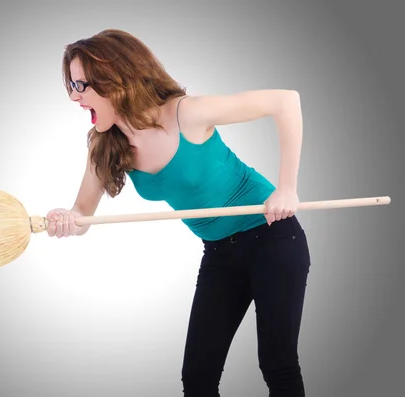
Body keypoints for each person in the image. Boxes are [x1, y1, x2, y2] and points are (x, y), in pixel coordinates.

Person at [47, 29, 311, 397]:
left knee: (277, 364)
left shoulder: (186, 112)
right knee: (198, 379)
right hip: (219, 253)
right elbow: (82, 214)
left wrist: (287, 188)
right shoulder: (105, 146)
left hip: (273, 236)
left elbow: (286, 102)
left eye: (81, 85)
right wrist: (65, 218)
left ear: (115, 78)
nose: (74, 96)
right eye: (71, 86)